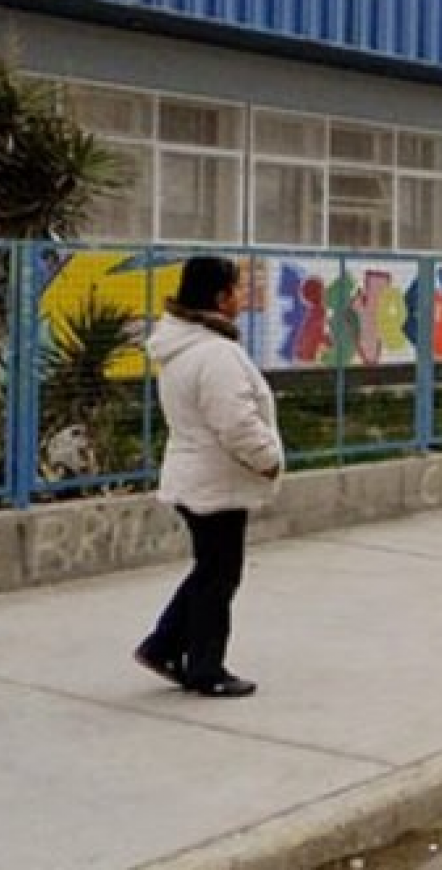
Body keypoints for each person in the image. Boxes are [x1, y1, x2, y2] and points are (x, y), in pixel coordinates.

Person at [134, 255, 285, 698]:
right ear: (220, 297)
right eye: (236, 290)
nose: (241, 298)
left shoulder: (181, 348)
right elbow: (235, 422)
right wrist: (267, 458)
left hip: (198, 474)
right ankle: (205, 668)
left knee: (211, 570)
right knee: (219, 576)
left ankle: (163, 646)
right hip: (216, 480)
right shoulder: (216, 354)